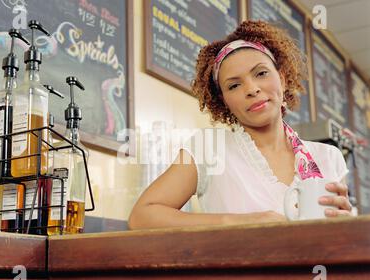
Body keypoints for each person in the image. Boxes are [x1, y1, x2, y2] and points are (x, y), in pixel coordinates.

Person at [128, 20, 352, 230]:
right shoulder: (209, 148)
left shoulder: (329, 158)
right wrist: (240, 223)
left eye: (261, 73)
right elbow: (142, 216)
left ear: (282, 79)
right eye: (234, 86)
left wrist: (345, 224)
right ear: (224, 100)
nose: (251, 89)